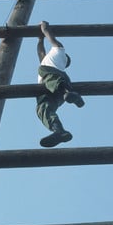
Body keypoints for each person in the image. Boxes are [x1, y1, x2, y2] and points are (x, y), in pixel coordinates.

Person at [36, 20, 85, 148]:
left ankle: (68, 94)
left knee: (44, 71)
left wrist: (44, 27)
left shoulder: (59, 50)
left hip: (58, 82)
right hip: (50, 89)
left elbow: (50, 36)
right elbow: (41, 52)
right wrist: (40, 40)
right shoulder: (47, 60)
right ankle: (59, 131)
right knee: (43, 108)